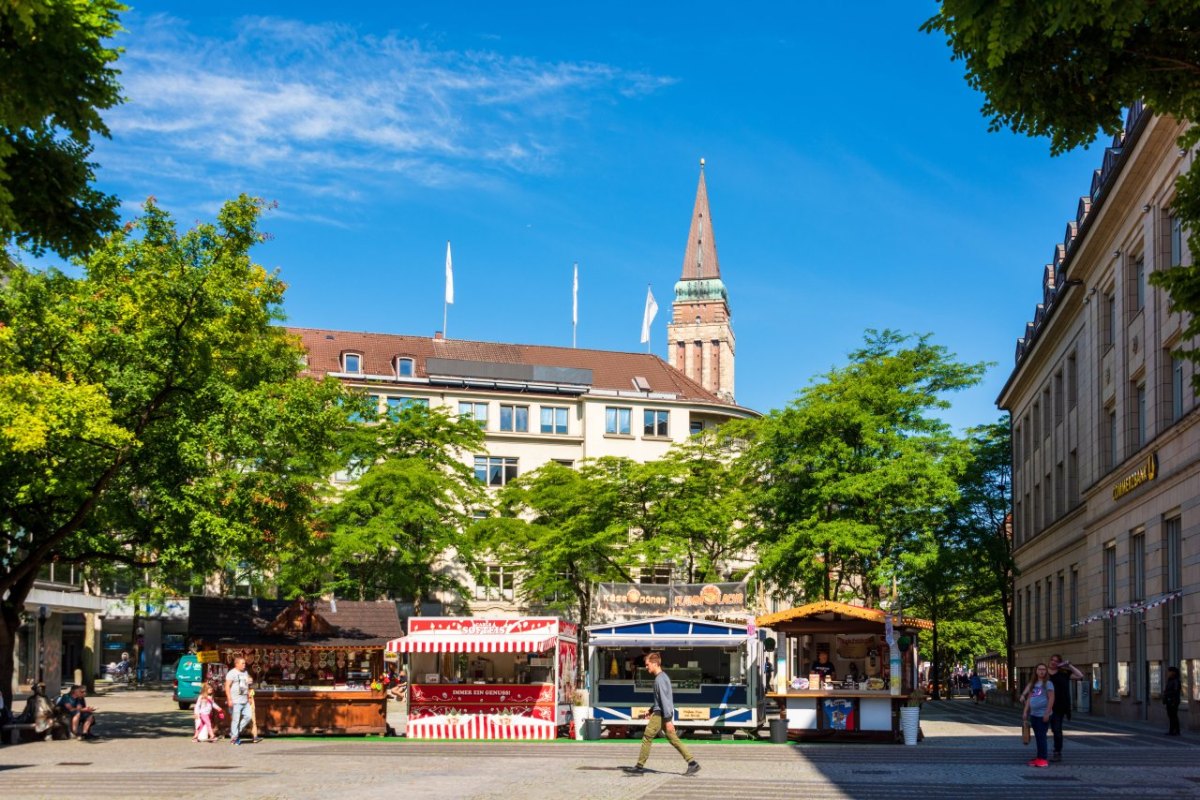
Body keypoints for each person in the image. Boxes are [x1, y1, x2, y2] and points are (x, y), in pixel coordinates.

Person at [622, 653, 700, 777]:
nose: (646, 667)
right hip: (661, 712)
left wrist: (668, 720)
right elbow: (661, 699)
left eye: (647, 665)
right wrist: (651, 710)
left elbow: (665, 700)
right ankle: (692, 763)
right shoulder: (662, 678)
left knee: (647, 737)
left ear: (654, 663)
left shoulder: (660, 679)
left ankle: (639, 767)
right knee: (673, 739)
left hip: (661, 715)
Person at [1046, 654, 1083, 761]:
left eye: (1056, 661)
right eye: (1052, 660)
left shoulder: (1064, 673)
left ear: (1059, 663)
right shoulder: (1044, 673)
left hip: (1059, 706)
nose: (1053, 662)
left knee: (1057, 730)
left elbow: (1080, 676)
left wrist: (1069, 665)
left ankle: (1057, 752)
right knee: (1040, 729)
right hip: (1044, 706)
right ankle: (1041, 752)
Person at [1021, 663, 1054, 768]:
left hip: (1042, 714)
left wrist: (1047, 713)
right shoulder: (1034, 684)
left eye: (1044, 669)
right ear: (1036, 671)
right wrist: (1025, 711)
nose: (1042, 671)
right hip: (1034, 714)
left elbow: (1052, 699)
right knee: (1038, 737)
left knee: (1041, 737)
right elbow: (1030, 698)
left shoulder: (1048, 683)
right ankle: (1039, 757)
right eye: (1040, 669)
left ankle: (1043, 759)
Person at [224, 656, 253, 745]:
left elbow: (247, 683)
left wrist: (249, 696)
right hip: (235, 700)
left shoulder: (245, 672)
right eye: (242, 663)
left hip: (244, 700)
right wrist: (229, 699)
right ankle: (234, 737)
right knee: (235, 719)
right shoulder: (231, 673)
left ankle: (234, 733)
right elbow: (227, 686)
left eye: (244, 663)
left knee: (248, 716)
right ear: (237, 664)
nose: (244, 665)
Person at [1163, 666, 1182, 736]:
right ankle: (1173, 730)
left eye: (1169, 671)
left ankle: (1175, 731)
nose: (1168, 673)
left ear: (1173, 672)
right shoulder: (1170, 680)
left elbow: (1176, 691)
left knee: (1173, 715)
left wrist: (1168, 694)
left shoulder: (1176, 681)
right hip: (1169, 700)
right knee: (1171, 715)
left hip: (1173, 700)